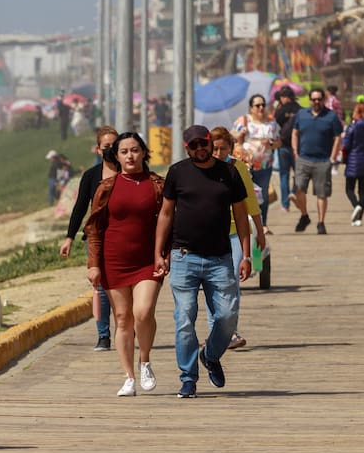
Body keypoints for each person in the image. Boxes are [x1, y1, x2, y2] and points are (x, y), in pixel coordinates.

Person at [153, 124, 252, 398]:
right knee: (184, 318)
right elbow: (165, 214)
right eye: (194, 145)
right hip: (184, 257)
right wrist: (158, 252)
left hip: (220, 258)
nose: (200, 149)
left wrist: (245, 255)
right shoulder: (178, 173)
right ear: (187, 148)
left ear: (211, 143)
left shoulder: (229, 173)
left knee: (228, 316)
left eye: (204, 143)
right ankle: (188, 378)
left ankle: (210, 355)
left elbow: (241, 216)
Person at [85, 132, 165, 397]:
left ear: (143, 152)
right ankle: (128, 377)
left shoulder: (157, 185)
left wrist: (164, 253)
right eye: (124, 152)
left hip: (147, 261)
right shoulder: (107, 187)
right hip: (114, 261)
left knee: (143, 312)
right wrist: (93, 264)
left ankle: (145, 361)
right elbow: (94, 228)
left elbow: (168, 222)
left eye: (135, 150)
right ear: (116, 157)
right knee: (122, 318)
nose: (130, 156)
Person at [60, 125, 118, 351]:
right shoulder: (91, 176)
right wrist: (69, 237)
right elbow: (80, 207)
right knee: (101, 287)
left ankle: (127, 326)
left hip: (127, 238)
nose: (111, 150)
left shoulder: (131, 171)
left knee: (126, 286)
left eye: (115, 145)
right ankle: (103, 335)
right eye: (107, 147)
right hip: (97, 238)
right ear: (98, 149)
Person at [210, 127, 266, 350]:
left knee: (231, 281)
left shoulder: (237, 168)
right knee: (213, 284)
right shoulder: (199, 169)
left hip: (234, 231)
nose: (218, 153)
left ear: (231, 149)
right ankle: (216, 331)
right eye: (214, 148)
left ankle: (230, 331)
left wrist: (260, 232)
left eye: (223, 149)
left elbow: (251, 202)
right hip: (208, 234)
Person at [291, 88, 343, 234]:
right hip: (303, 158)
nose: (316, 102)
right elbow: (295, 132)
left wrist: (333, 157)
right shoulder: (302, 114)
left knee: (322, 193)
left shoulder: (331, 116)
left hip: (322, 160)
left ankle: (321, 222)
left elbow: (338, 137)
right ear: (309, 100)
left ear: (323, 100)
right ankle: (304, 215)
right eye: (314, 99)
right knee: (299, 189)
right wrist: (295, 151)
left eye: (319, 99)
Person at [232, 93, 278, 230]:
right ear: (251, 108)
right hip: (246, 164)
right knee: (246, 193)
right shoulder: (244, 120)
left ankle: (262, 224)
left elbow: (279, 141)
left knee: (263, 194)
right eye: (257, 105)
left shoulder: (271, 123)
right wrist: (240, 134)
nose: (261, 108)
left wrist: (271, 144)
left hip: (265, 165)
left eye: (263, 105)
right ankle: (246, 221)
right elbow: (232, 134)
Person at [340, 101, 364, 226]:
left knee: (349, 189)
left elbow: (346, 144)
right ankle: (359, 219)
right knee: (363, 190)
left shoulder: (353, 126)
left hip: (353, 160)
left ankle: (356, 206)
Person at [273, 87, 302, 214]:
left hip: (283, 145)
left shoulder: (281, 110)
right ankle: (293, 192)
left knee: (284, 175)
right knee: (299, 173)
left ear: (284, 97)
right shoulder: (301, 110)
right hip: (298, 147)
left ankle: (285, 205)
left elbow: (275, 124)